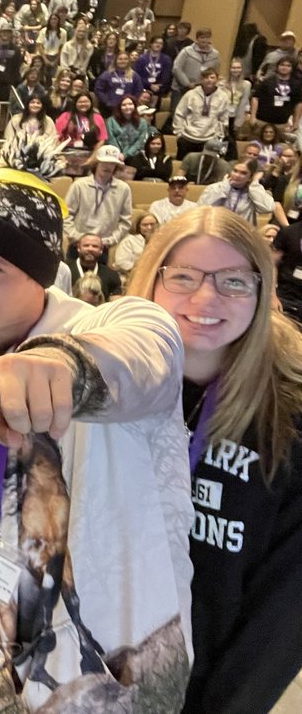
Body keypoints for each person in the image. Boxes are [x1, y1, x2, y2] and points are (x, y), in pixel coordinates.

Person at [0, 170, 193, 712]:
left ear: (42, 273)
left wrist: (65, 366)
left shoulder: (114, 328)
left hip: (123, 692)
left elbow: (149, 351)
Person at [128, 208, 302, 713]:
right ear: (151, 281)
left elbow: (281, 617)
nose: (206, 299)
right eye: (183, 277)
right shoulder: (108, 388)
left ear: (262, 291)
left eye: (233, 281)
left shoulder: (288, 419)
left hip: (200, 688)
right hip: (83, 673)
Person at [64, 144, 132, 260]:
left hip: (103, 246)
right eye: (104, 162)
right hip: (77, 245)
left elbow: (125, 221)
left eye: (112, 163)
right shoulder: (79, 185)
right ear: (96, 163)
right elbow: (66, 215)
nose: (108, 166)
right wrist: (78, 238)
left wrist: (110, 240)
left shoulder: (123, 189)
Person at [198, 158, 274, 224]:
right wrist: (224, 188)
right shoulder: (215, 188)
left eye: (243, 173)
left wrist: (254, 184)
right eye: (235, 171)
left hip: (241, 233)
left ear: (250, 176)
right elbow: (201, 210)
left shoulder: (253, 193)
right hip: (216, 230)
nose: (237, 175)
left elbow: (268, 208)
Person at [67, 233, 122, 300]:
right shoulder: (66, 270)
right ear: (78, 248)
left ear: (101, 250)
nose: (90, 249)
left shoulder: (112, 275)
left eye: (95, 246)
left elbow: (116, 302)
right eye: (86, 245)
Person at [113, 210, 159, 281]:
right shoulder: (129, 241)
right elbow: (121, 262)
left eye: (152, 224)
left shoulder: (162, 240)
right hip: (133, 275)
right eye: (145, 225)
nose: (149, 227)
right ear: (138, 226)